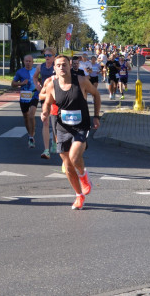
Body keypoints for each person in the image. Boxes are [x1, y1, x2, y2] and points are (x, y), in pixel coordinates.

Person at [40, 54, 101, 210]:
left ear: (69, 66)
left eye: (64, 64)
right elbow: (47, 102)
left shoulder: (80, 81)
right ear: (54, 68)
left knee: (74, 156)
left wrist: (96, 116)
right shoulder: (52, 85)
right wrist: (44, 112)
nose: (62, 67)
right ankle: (79, 195)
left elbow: (96, 95)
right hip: (62, 127)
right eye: (58, 65)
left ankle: (84, 176)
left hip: (81, 126)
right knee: (67, 165)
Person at [11, 54, 39, 147]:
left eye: (30, 61)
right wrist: (22, 83)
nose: (28, 63)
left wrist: (43, 87)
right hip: (24, 97)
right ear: (23, 62)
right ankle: (30, 134)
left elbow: (42, 80)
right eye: (26, 61)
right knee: (26, 117)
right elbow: (13, 84)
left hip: (34, 95)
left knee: (31, 115)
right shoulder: (20, 72)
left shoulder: (36, 71)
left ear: (32, 62)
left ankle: (32, 135)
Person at [35, 48, 58, 158]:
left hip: (55, 98)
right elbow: (35, 77)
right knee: (45, 121)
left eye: (49, 55)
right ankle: (46, 149)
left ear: (54, 56)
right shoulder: (40, 66)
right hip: (45, 96)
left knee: (54, 122)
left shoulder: (57, 67)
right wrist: (37, 86)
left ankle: (54, 142)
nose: (47, 57)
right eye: (45, 55)